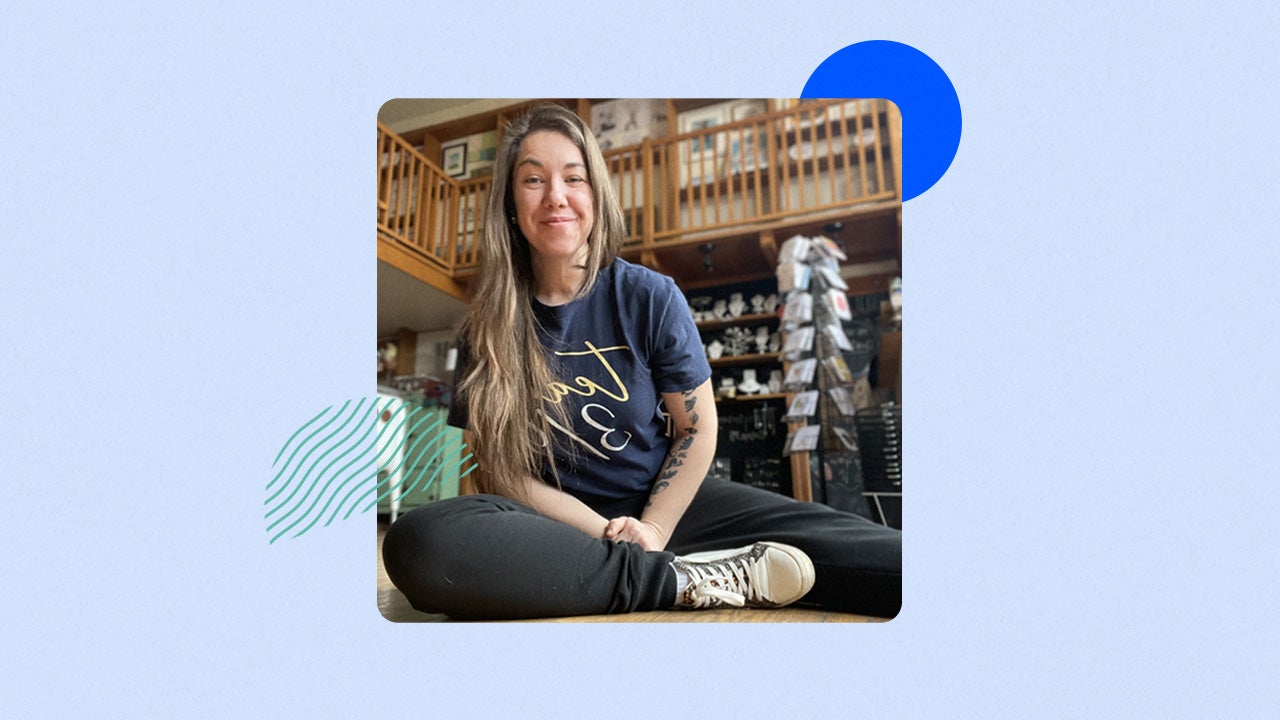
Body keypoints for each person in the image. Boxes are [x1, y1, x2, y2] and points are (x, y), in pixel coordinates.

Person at [381, 103, 901, 620]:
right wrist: (609, 537)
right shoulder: (485, 326)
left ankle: (656, 571)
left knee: (884, 559)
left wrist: (650, 532)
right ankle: (681, 579)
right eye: (533, 180)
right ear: (511, 206)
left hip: (666, 507)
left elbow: (696, 431)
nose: (556, 197)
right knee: (420, 544)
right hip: (551, 528)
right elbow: (499, 470)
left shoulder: (648, 295)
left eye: (574, 177)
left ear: (595, 195)